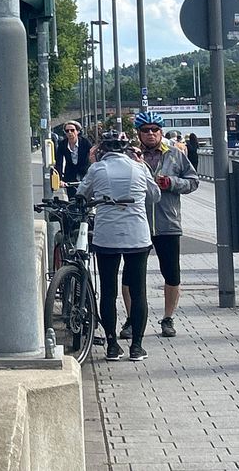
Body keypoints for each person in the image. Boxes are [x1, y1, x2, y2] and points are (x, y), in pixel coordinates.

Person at [78, 130, 160, 362]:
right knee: (138, 291)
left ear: (102, 150)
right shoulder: (139, 168)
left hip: (107, 235)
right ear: (127, 149)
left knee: (108, 290)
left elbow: (82, 194)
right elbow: (155, 196)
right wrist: (143, 166)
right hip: (137, 235)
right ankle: (137, 346)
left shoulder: (97, 169)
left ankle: (112, 345)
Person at [119, 110, 198, 340]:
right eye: (146, 131)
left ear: (161, 132)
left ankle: (167, 318)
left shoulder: (174, 154)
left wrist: (171, 182)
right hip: (137, 221)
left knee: (171, 273)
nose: (151, 134)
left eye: (155, 130)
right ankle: (132, 319)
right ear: (138, 134)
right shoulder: (129, 156)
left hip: (168, 222)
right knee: (131, 274)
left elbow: (193, 182)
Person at [54, 121, 92, 193]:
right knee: (72, 198)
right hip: (70, 174)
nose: (70, 133)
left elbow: (93, 155)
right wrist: (59, 179)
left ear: (77, 131)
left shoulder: (85, 142)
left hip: (85, 173)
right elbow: (59, 162)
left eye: (72, 130)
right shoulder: (62, 144)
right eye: (67, 131)